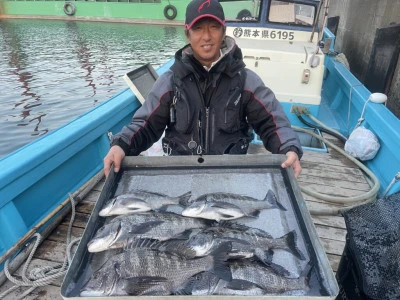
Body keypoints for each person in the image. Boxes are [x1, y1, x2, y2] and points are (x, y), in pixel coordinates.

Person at [104, 0, 303, 178]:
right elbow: (146, 124)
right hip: (180, 172)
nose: (206, 36)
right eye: (198, 28)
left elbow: (272, 121)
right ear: (187, 33)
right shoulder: (170, 82)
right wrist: (121, 145)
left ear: (223, 31)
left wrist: (288, 148)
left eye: (213, 27)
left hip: (229, 174)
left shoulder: (245, 81)